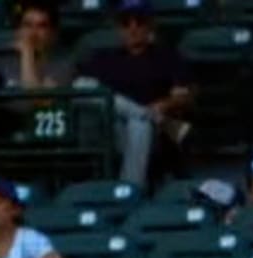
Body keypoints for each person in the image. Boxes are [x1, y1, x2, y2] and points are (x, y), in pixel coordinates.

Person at [79, 0, 197, 187]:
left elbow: (184, 96)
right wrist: (147, 113)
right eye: (126, 23)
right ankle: (143, 114)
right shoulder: (103, 59)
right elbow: (85, 91)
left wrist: (163, 104)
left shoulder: (168, 57)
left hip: (155, 133)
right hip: (111, 129)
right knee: (82, 85)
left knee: (139, 125)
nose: (133, 28)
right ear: (118, 28)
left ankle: (130, 191)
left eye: (139, 22)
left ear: (150, 25)